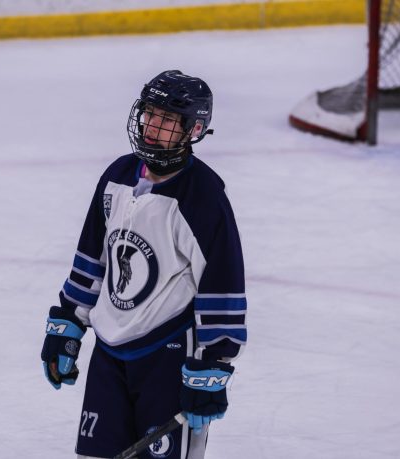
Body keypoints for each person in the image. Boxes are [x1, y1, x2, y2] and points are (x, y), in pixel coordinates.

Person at [41, 70, 247, 459]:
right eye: (151, 114)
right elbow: (92, 256)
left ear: (194, 129)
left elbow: (222, 283)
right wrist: (68, 322)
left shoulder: (202, 196)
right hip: (109, 352)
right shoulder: (117, 176)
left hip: (166, 354)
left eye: (169, 120)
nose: (154, 126)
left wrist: (212, 364)